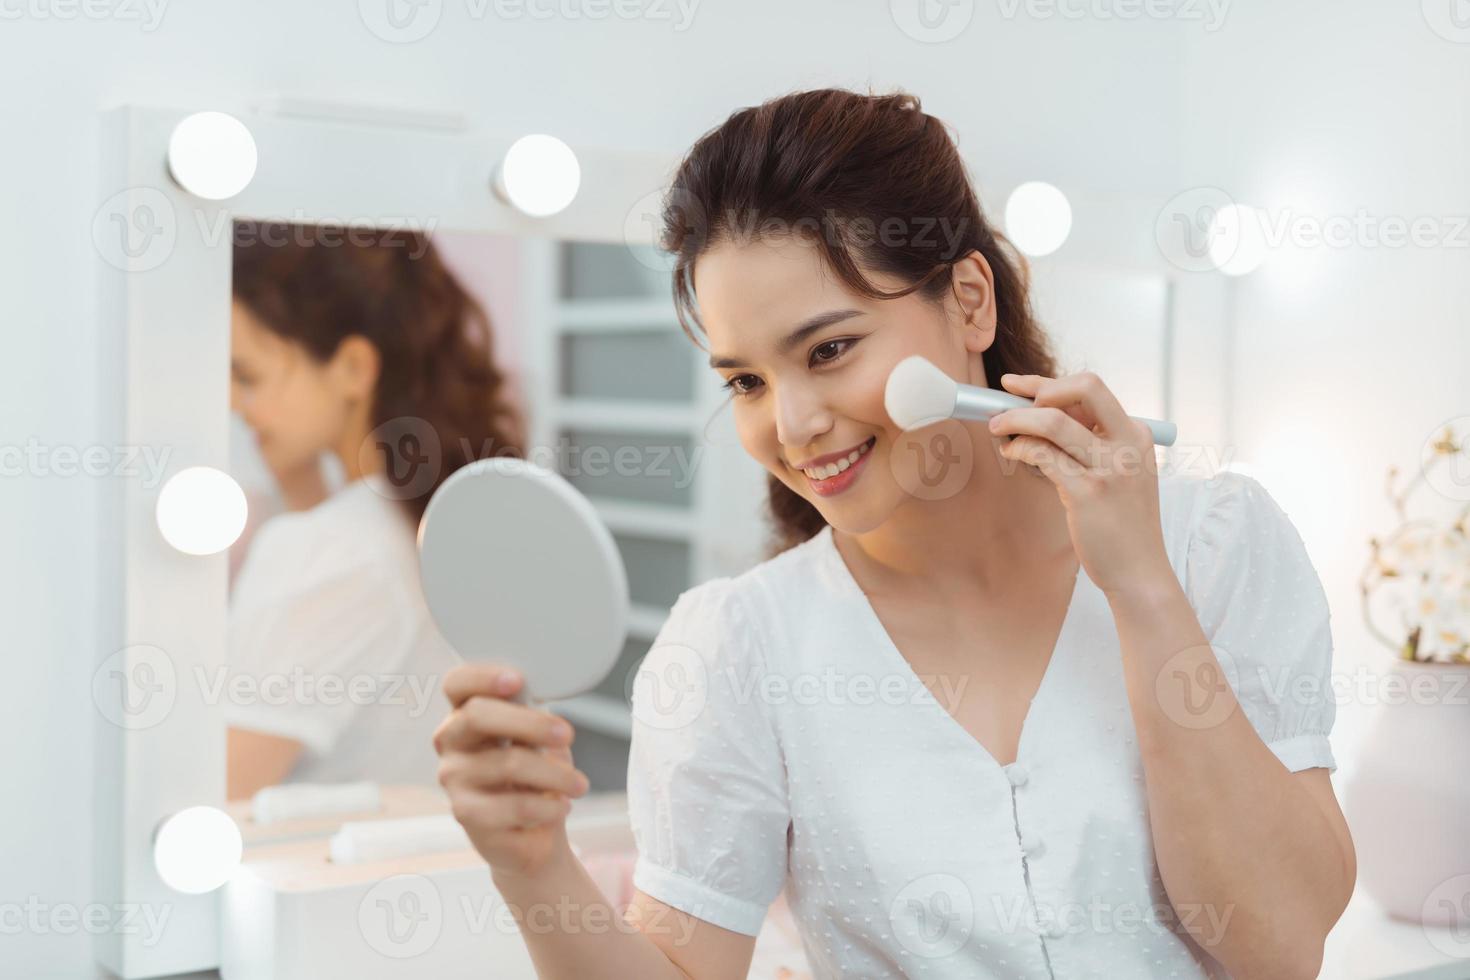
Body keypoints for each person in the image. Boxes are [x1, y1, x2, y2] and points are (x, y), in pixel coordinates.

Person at [432, 89, 1355, 979]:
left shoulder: (1216, 544)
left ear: (969, 302)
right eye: (747, 381)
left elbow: (1281, 949)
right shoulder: (740, 647)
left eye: (828, 350)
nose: (790, 426)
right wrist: (534, 866)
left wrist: (1143, 587)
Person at [227, 222, 522, 799]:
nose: (234, 404)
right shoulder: (440, 523)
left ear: (354, 368)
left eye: (248, 375)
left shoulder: (328, 550)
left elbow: (215, 794)